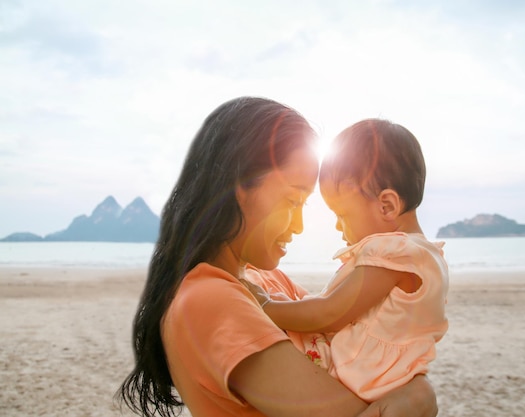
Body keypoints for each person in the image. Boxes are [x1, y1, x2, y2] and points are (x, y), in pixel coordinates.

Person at [116, 97, 438, 417]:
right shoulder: (207, 298)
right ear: (237, 187)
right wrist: (419, 397)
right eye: (291, 201)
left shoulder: (265, 280)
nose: (298, 227)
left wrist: (417, 393)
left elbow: (329, 321)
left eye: (303, 206)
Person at [246, 119, 449, 402]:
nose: (339, 228)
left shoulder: (394, 251)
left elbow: (328, 313)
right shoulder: (426, 255)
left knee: (260, 311)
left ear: (387, 205)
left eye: (342, 214)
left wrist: (267, 306)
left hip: (356, 374)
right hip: (385, 377)